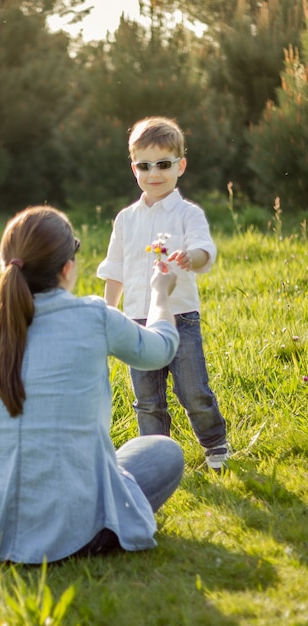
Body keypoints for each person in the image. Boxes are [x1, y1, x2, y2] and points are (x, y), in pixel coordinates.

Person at [0, 205, 184, 564]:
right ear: (66, 268)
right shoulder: (95, 316)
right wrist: (160, 293)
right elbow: (162, 349)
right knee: (164, 452)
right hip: (76, 527)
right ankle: (93, 522)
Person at [97, 116, 229, 471]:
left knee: (193, 392)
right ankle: (157, 459)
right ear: (133, 168)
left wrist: (192, 256)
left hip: (180, 319)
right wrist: (108, 313)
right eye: (144, 165)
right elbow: (115, 269)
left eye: (164, 164)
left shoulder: (188, 214)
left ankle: (215, 444)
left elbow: (205, 250)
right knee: (147, 399)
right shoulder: (126, 219)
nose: (154, 173)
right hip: (137, 323)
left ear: (180, 166)